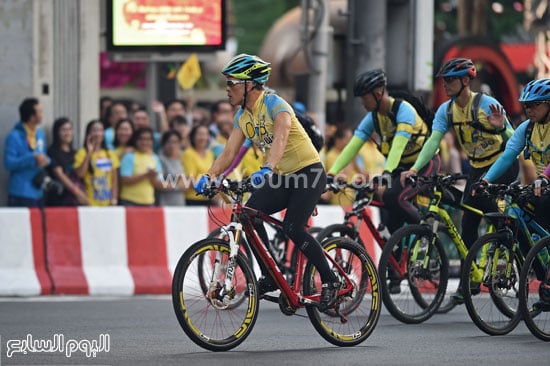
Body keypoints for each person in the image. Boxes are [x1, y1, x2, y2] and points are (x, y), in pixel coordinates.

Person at [194, 53, 339, 311]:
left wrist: (267, 168)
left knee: (293, 228)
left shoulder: (275, 104)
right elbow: (228, 153)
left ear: (250, 84)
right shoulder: (243, 116)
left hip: (308, 173)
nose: (227, 89)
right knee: (248, 215)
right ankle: (270, 276)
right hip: (282, 177)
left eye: (232, 83)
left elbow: (281, 138)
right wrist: (209, 176)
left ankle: (330, 281)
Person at [400, 58, 519, 302]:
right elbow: (433, 141)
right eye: (444, 81)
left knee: (485, 206)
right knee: (468, 223)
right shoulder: (446, 110)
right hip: (476, 168)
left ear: (466, 80)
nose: (445, 85)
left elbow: (514, 138)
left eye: (451, 80)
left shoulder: (488, 104)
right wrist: (414, 168)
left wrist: (499, 129)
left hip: (501, 164)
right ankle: (470, 281)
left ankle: (508, 231)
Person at [328, 69, 439, 233]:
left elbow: (398, 146)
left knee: (393, 197)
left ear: (378, 93)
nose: (362, 103)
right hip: (401, 167)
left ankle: (427, 231)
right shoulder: (373, 118)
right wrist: (332, 172)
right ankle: (394, 252)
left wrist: (387, 172)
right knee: (388, 224)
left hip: (424, 162)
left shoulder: (404, 110)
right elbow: (352, 146)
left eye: (365, 98)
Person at [473, 78, 550, 230]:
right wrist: (486, 181)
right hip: (543, 186)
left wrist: (545, 177)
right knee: (519, 219)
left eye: (535, 104)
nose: (528, 109)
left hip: (544, 182)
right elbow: (507, 156)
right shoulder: (526, 129)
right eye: (526, 105)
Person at [4, 98, 51, 207]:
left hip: (38, 190)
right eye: (39, 111)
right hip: (21, 192)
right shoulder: (14, 136)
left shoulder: (39, 133)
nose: (42, 114)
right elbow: (8, 163)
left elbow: (44, 155)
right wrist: (32, 157)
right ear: (31, 117)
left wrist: (46, 160)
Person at [74, 119, 120, 206]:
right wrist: (89, 153)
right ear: (88, 133)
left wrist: (114, 199)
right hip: (89, 203)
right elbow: (80, 174)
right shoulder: (82, 152)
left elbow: (114, 179)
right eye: (95, 130)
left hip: (108, 203)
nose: (98, 133)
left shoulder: (110, 153)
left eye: (101, 130)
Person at [46, 117, 88, 206]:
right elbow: (59, 174)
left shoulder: (76, 153)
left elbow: (80, 174)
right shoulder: (52, 152)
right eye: (64, 130)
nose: (67, 133)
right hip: (59, 199)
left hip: (76, 200)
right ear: (57, 132)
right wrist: (77, 192)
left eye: (70, 129)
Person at [119, 127, 164, 206]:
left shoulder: (155, 158)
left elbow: (158, 184)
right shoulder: (129, 157)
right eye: (141, 139)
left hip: (149, 202)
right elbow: (125, 180)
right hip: (130, 202)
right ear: (136, 140)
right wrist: (146, 175)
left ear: (152, 142)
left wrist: (153, 176)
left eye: (148, 139)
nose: (144, 142)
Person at [182, 124, 215, 206]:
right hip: (193, 199)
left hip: (208, 198)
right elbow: (191, 178)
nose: (203, 137)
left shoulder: (210, 154)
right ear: (193, 137)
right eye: (200, 134)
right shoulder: (188, 153)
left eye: (205, 134)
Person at [157, 130, 186, 206]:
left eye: (175, 142)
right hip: (164, 202)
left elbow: (186, 183)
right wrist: (177, 185)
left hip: (180, 202)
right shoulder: (160, 160)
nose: (172, 145)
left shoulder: (182, 159)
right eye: (169, 142)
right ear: (164, 144)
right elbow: (159, 184)